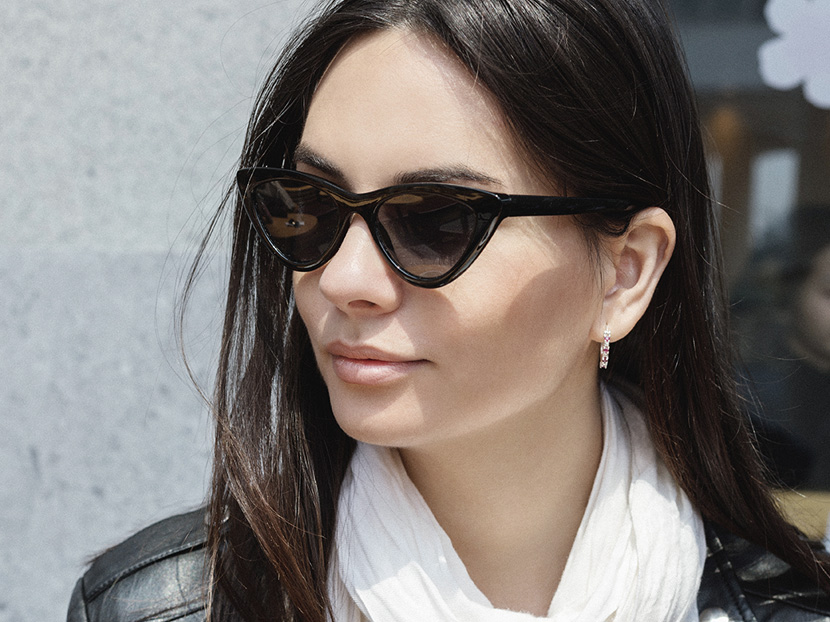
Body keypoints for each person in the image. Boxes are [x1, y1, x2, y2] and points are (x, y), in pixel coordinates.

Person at [68, 1, 830, 620]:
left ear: (623, 273)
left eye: (436, 220)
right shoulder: (159, 608)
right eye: (309, 205)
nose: (343, 277)